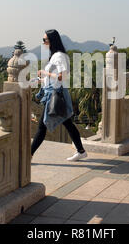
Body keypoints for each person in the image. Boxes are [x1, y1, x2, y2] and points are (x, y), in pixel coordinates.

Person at [31, 29, 88, 161]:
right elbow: (54, 77)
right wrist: (39, 80)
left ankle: (29, 154)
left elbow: (62, 77)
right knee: (68, 123)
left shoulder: (60, 56)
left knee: (42, 127)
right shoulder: (55, 55)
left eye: (45, 40)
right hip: (53, 94)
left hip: (56, 95)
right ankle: (81, 151)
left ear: (52, 40)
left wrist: (46, 74)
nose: (43, 42)